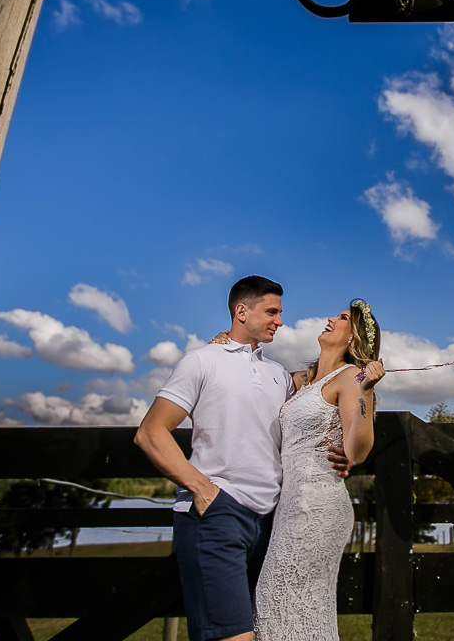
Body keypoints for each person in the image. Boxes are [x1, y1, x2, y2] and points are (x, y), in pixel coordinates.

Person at [133, 275, 350, 641]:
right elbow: (151, 433)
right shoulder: (201, 361)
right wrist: (203, 490)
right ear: (241, 311)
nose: (280, 321)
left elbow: (328, 384)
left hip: (272, 524)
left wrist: (345, 446)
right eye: (272, 312)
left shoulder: (278, 375)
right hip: (219, 515)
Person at [247, 298, 385, 641]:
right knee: (290, 610)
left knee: (274, 604)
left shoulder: (350, 377)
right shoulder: (302, 380)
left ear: (354, 337)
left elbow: (356, 452)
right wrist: (226, 342)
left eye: (342, 318)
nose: (331, 318)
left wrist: (366, 392)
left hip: (316, 507)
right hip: (289, 506)